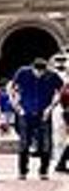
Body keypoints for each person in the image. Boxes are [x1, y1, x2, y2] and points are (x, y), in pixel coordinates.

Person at [10, 52, 64, 180]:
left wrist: (50, 108)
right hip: (26, 112)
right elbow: (12, 88)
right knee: (24, 143)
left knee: (46, 144)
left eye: (42, 72)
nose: (39, 74)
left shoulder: (52, 76)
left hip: (43, 113)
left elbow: (60, 92)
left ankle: (43, 171)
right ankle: (23, 171)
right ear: (32, 68)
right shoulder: (23, 72)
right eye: (37, 72)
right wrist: (17, 106)